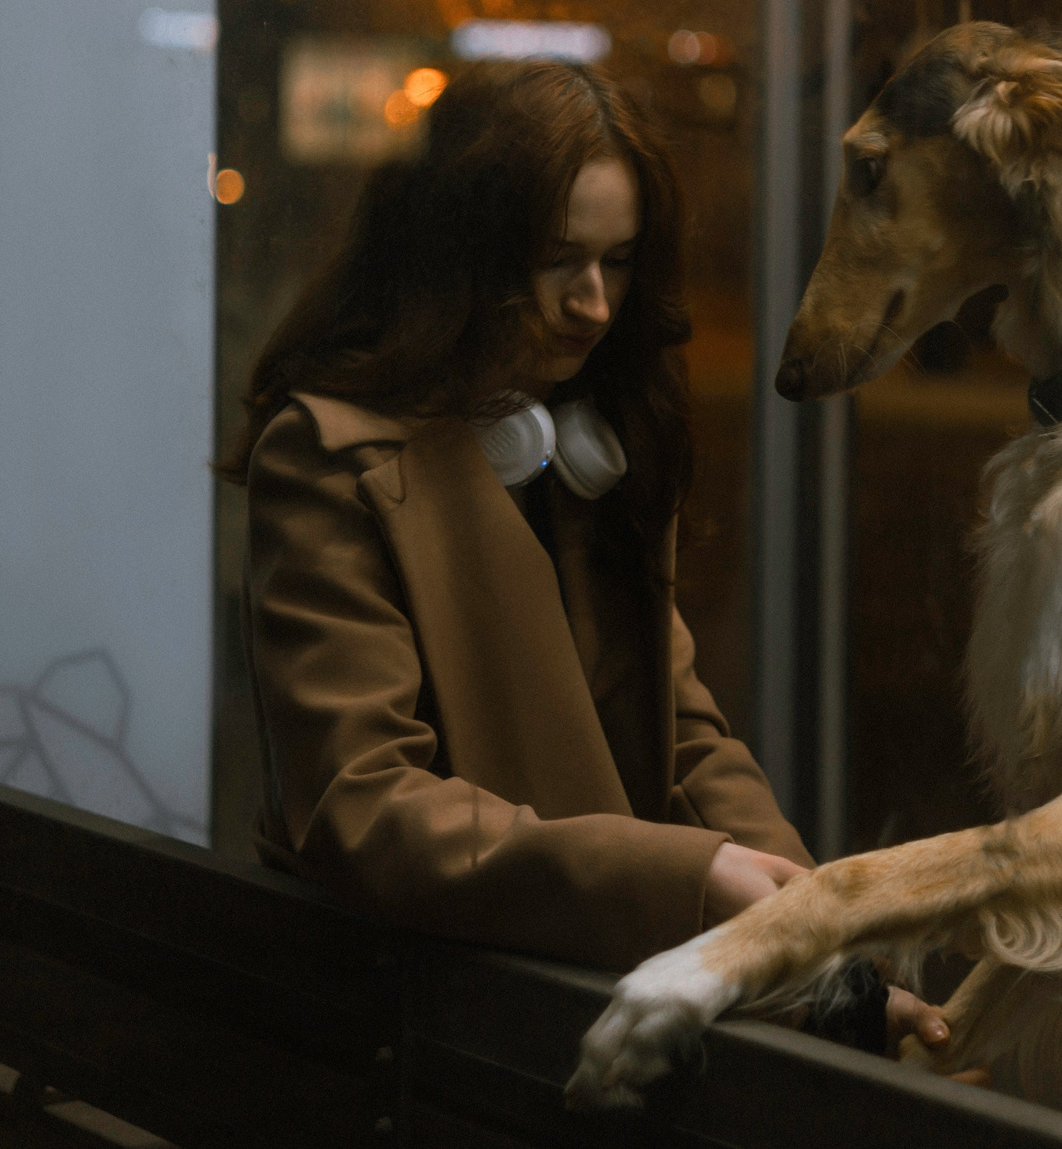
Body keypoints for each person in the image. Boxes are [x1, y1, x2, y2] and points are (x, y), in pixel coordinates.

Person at [225, 58, 950, 1057]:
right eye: (558, 259)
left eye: (619, 262)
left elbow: (685, 740)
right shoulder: (328, 459)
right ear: (459, 252)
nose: (595, 304)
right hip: (416, 1031)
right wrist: (690, 880)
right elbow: (365, 808)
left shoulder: (589, 451)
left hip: (579, 999)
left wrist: (822, 943)